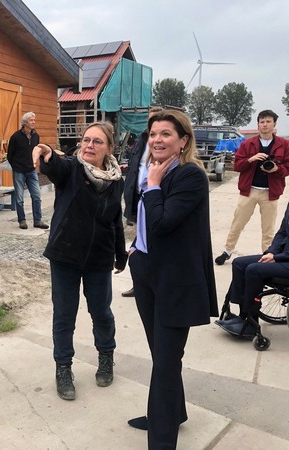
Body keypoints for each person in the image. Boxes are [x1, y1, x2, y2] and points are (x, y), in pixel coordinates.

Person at [126, 110, 218, 449]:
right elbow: (143, 219)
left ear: (183, 141)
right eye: (153, 134)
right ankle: (173, 413)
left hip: (175, 281)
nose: (157, 140)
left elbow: (163, 222)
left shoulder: (189, 176)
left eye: (166, 134)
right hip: (146, 271)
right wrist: (135, 249)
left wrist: (152, 185)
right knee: (161, 354)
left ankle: (162, 439)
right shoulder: (154, 170)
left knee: (166, 362)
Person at [32, 122, 127, 401]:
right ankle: (63, 368)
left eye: (97, 141)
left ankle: (106, 356)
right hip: (65, 256)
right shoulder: (72, 168)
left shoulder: (116, 180)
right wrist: (47, 152)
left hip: (99, 257)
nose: (89, 145)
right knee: (64, 315)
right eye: (86, 140)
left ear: (109, 148)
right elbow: (55, 166)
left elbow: (115, 220)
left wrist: (120, 253)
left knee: (101, 312)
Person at [215, 110, 289, 265]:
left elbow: (287, 167)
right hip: (249, 191)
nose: (265, 125)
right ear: (258, 125)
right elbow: (237, 166)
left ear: (274, 124)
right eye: (262, 122)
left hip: (270, 193)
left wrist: (277, 169)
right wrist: (251, 159)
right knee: (237, 223)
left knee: (268, 229)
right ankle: (227, 250)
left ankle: (266, 256)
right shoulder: (248, 144)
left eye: (268, 121)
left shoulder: (284, 144)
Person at [216, 202, 289, 336]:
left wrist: (278, 258)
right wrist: (272, 252)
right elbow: (282, 232)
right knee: (239, 264)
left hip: (285, 259)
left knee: (254, 270)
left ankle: (251, 324)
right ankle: (242, 316)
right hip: (282, 255)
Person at [121, 106, 164, 298]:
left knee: (150, 240)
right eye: (150, 120)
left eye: (156, 119)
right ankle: (139, 283)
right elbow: (135, 165)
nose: (152, 123)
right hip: (138, 193)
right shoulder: (141, 139)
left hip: (155, 195)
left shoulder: (162, 145)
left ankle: (151, 282)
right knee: (140, 239)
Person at [7, 112, 49, 230]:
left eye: (34, 120)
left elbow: (36, 151)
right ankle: (22, 220)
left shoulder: (36, 136)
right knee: (19, 198)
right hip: (19, 171)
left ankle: (38, 220)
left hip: (31, 171)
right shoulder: (15, 137)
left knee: (36, 196)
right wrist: (16, 167)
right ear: (25, 122)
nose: (34, 122)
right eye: (31, 120)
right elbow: (10, 155)